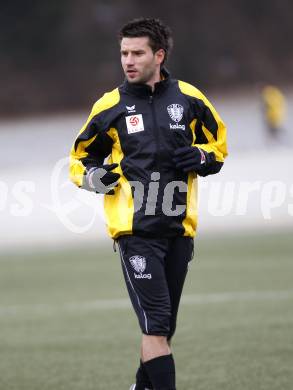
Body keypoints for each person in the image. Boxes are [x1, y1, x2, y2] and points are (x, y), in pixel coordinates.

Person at [69, 17, 228, 390]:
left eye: (137, 52)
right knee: (156, 323)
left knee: (163, 328)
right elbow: (78, 161)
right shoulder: (110, 106)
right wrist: (96, 179)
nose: (128, 60)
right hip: (135, 231)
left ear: (159, 55)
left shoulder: (190, 99)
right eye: (124, 52)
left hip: (179, 228)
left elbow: (218, 147)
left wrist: (202, 158)